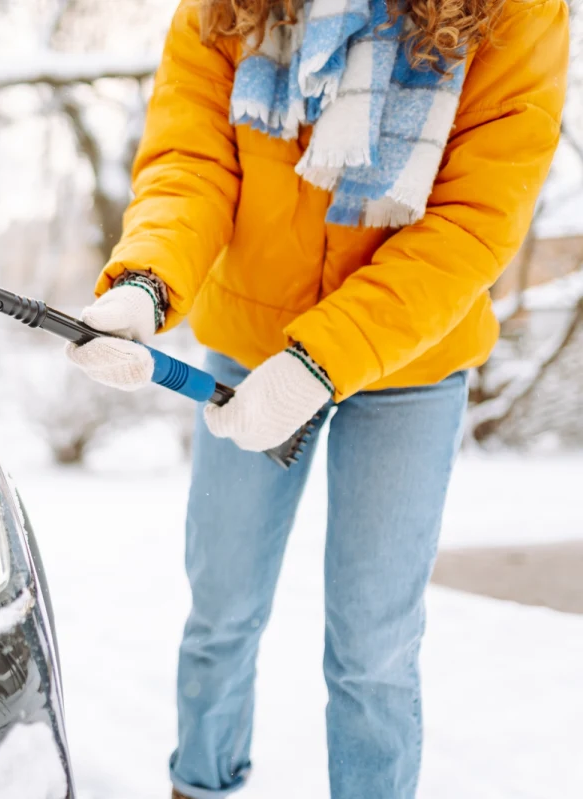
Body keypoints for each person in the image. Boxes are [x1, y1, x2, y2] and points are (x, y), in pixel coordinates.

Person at [65, 0, 569, 795]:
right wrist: (145, 283)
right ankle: (200, 785)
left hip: (412, 360)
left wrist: (318, 363)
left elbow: (473, 220)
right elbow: (192, 162)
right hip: (250, 342)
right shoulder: (226, 9)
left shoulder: (516, 14)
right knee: (222, 609)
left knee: (373, 647)